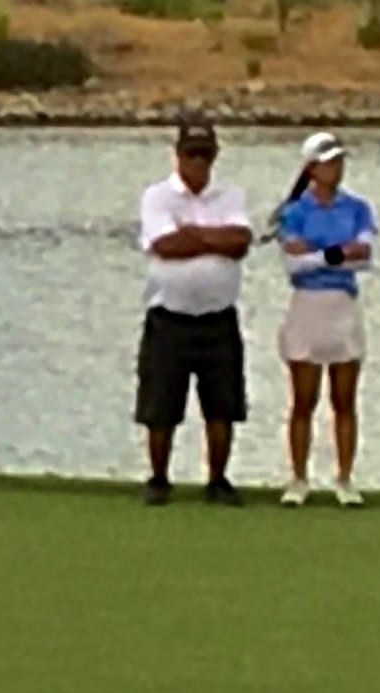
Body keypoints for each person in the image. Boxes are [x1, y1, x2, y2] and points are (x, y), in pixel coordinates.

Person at [135, 118, 254, 505]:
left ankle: (218, 480)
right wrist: (212, 237)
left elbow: (239, 242)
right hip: (169, 316)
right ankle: (158, 478)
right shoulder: (157, 196)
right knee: (161, 405)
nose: (198, 162)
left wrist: (194, 234)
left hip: (218, 317)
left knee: (222, 406)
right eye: (191, 154)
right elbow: (166, 245)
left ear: (215, 156)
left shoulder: (230, 196)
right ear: (178, 155)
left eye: (205, 154)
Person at [275, 132, 379, 508]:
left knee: (344, 399)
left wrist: (319, 253)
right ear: (312, 168)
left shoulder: (358, 208)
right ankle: (299, 478)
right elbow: (294, 263)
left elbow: (364, 257)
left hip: (342, 304)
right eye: (327, 162)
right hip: (307, 304)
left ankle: (345, 479)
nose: (335, 168)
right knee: (304, 399)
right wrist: (337, 253)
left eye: (339, 161)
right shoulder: (293, 212)